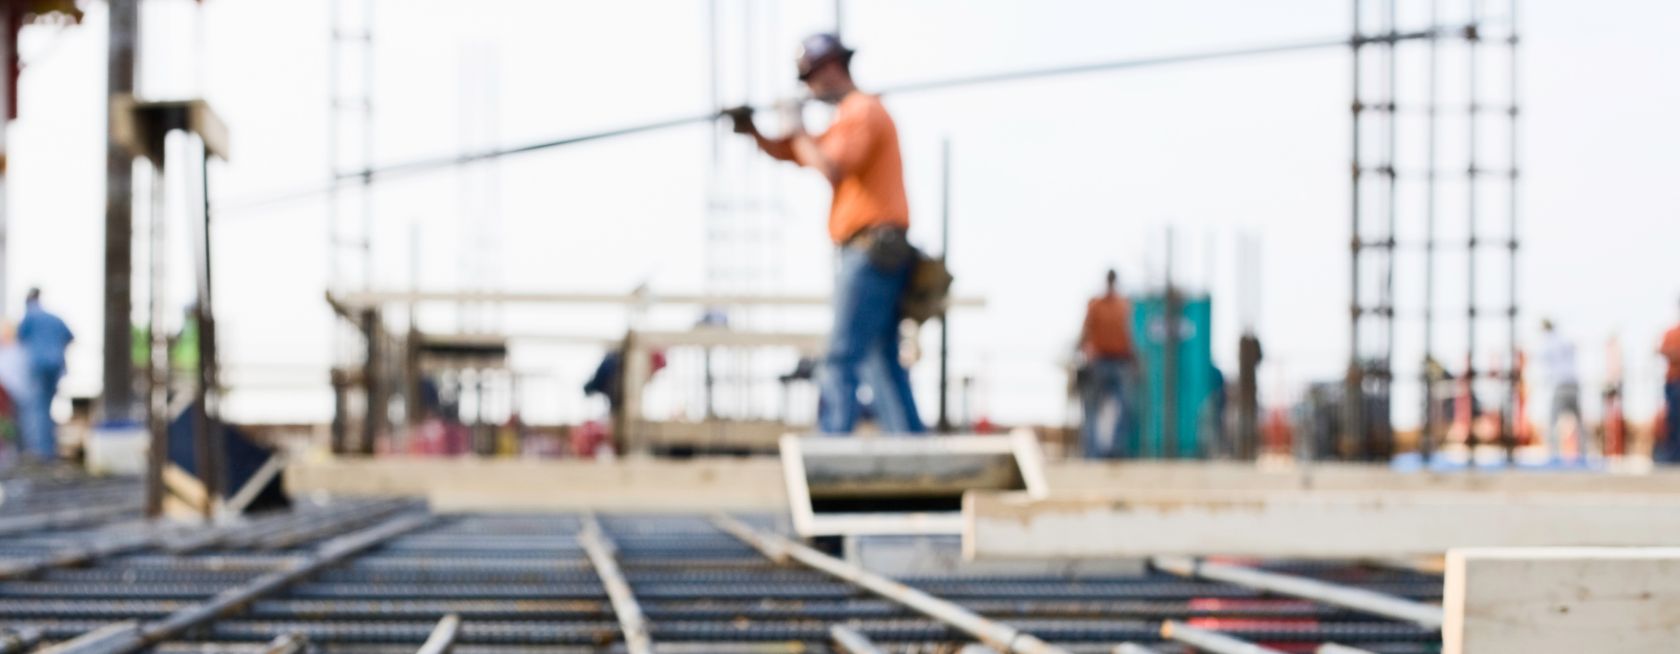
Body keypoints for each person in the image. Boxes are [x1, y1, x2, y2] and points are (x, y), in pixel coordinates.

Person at [728, 33, 923, 434]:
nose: (809, 88)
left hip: (872, 250)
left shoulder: (862, 111)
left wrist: (795, 123)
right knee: (879, 355)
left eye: (810, 78)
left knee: (841, 355)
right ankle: (910, 443)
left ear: (831, 69)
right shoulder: (849, 118)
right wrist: (757, 133)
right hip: (875, 251)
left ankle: (833, 441)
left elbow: (831, 166)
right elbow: (801, 153)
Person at [1078, 270, 1139, 458]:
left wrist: (1133, 359)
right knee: (1092, 409)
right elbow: (1086, 333)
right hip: (1100, 362)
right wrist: (1088, 354)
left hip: (1119, 362)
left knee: (1125, 407)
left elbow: (1128, 335)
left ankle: (1114, 449)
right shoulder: (1096, 305)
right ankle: (1092, 454)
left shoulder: (1123, 305)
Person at [16, 288, 73, 461]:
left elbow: (20, 338)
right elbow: (70, 336)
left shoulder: (30, 317)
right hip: (55, 365)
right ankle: (49, 448)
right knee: (48, 407)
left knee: (38, 408)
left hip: (38, 366)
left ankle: (42, 452)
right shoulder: (54, 318)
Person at [1539, 318, 1581, 461]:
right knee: (1579, 422)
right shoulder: (1565, 339)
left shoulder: (1548, 342)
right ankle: (1582, 455)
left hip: (1559, 384)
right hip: (1574, 382)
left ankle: (1554, 456)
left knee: (1552, 422)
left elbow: (1545, 363)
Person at [1658, 303, 1680, 463]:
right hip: (1673, 382)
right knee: (1673, 419)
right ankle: (1673, 456)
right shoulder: (1671, 333)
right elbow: (1661, 350)